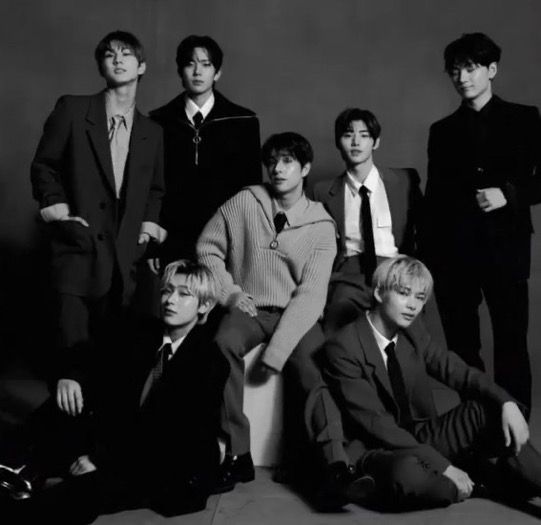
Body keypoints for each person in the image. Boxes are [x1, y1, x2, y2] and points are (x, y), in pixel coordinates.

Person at [0, 259, 228, 523]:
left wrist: (99, 460)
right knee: (64, 403)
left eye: (183, 294)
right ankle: (14, 466)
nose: (170, 300)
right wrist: (69, 378)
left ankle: (17, 514)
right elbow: (87, 355)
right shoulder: (141, 332)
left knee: (89, 489)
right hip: (123, 438)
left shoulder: (210, 363)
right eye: (167, 291)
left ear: (205, 305)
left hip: (165, 461)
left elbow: (166, 434)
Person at [322, 256, 541, 511]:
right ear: (379, 292)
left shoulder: (413, 331)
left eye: (420, 297)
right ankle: (472, 481)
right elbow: (378, 425)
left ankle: (513, 480)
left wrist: (506, 403)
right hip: (380, 448)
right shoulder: (343, 347)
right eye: (404, 293)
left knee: (487, 409)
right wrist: (445, 466)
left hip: (422, 436)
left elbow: (458, 372)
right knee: (408, 475)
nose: (413, 306)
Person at [197, 132, 345, 494]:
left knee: (313, 366)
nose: (278, 169)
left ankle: (334, 462)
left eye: (288, 162)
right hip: (248, 307)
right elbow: (207, 247)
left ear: (305, 168)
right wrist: (229, 293)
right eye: (273, 162)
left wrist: (277, 352)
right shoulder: (245, 201)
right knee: (221, 345)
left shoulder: (322, 226)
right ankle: (238, 455)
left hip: (295, 312)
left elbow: (311, 295)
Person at [30, 31, 166, 407]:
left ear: (141, 67)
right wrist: (59, 211)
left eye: (126, 55)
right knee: (70, 367)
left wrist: (147, 229)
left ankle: (96, 453)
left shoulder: (152, 133)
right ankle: (53, 447)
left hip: (126, 263)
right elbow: (44, 166)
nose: (118, 60)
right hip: (78, 250)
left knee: (114, 368)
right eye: (109, 54)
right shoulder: (73, 110)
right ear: (101, 66)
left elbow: (156, 190)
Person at [422, 32, 541, 412]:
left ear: (492, 70)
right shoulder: (441, 131)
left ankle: (516, 432)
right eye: (454, 70)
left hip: (506, 249)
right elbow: (434, 199)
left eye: (470, 68)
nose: (462, 77)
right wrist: (427, 256)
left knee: (511, 341)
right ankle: (476, 424)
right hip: (454, 254)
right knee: (461, 346)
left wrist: (509, 194)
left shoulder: (524, 118)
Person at [151, 34, 261, 263]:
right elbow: (151, 187)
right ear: (180, 71)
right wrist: (153, 245)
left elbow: (251, 189)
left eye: (206, 64)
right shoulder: (158, 122)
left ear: (217, 72)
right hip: (172, 237)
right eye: (190, 64)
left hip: (227, 237)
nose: (197, 72)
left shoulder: (243, 121)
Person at [311, 108, 422, 334]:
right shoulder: (323, 191)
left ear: (376, 142)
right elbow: (317, 248)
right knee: (337, 329)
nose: (355, 142)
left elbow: (426, 231)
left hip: (396, 269)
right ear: (337, 142)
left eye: (364, 135)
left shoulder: (403, 180)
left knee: (418, 338)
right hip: (349, 274)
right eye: (348, 134)